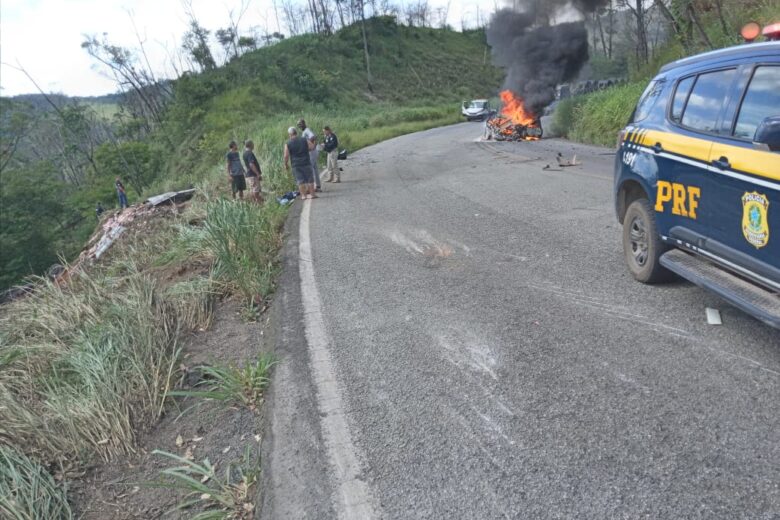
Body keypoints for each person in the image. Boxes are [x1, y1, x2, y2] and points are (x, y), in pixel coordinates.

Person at [284, 127, 316, 200]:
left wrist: (286, 164)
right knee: (310, 179)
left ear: (290, 134)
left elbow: (286, 156)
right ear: (296, 133)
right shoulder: (304, 139)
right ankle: (312, 195)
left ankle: (304, 196)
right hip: (306, 162)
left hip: (296, 164)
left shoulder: (288, 143)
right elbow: (312, 147)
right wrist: (306, 148)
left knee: (300, 181)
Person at [297, 118, 321, 192]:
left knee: (311, 169)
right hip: (313, 151)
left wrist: (308, 146)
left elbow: (313, 136)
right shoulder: (305, 131)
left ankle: (313, 187)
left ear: (303, 124)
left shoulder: (306, 130)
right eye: (298, 125)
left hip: (311, 152)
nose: (299, 126)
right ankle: (318, 185)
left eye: (300, 124)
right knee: (315, 168)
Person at [242, 140, 264, 204]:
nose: (254, 145)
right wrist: (258, 174)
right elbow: (251, 164)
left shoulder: (245, 153)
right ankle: (259, 205)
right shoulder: (249, 153)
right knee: (255, 191)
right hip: (252, 175)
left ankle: (258, 203)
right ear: (251, 145)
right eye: (253, 144)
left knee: (254, 190)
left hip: (250, 175)